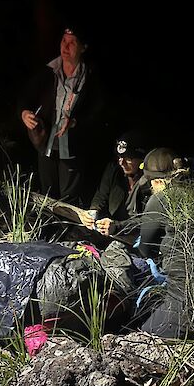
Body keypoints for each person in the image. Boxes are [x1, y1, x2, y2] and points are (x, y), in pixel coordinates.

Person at [19, 24, 105, 205]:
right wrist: (24, 113)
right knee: (47, 192)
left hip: (72, 144)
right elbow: (26, 97)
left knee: (69, 195)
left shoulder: (90, 76)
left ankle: (66, 231)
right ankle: (48, 229)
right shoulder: (49, 70)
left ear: (83, 47)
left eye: (72, 43)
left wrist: (74, 122)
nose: (65, 47)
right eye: (64, 41)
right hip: (45, 140)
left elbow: (98, 112)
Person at [79, 130, 152, 236]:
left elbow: (148, 220)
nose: (122, 163)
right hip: (112, 229)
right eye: (119, 158)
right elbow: (101, 195)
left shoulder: (151, 183)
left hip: (136, 235)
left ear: (142, 160)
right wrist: (93, 211)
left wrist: (118, 226)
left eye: (128, 159)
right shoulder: (114, 170)